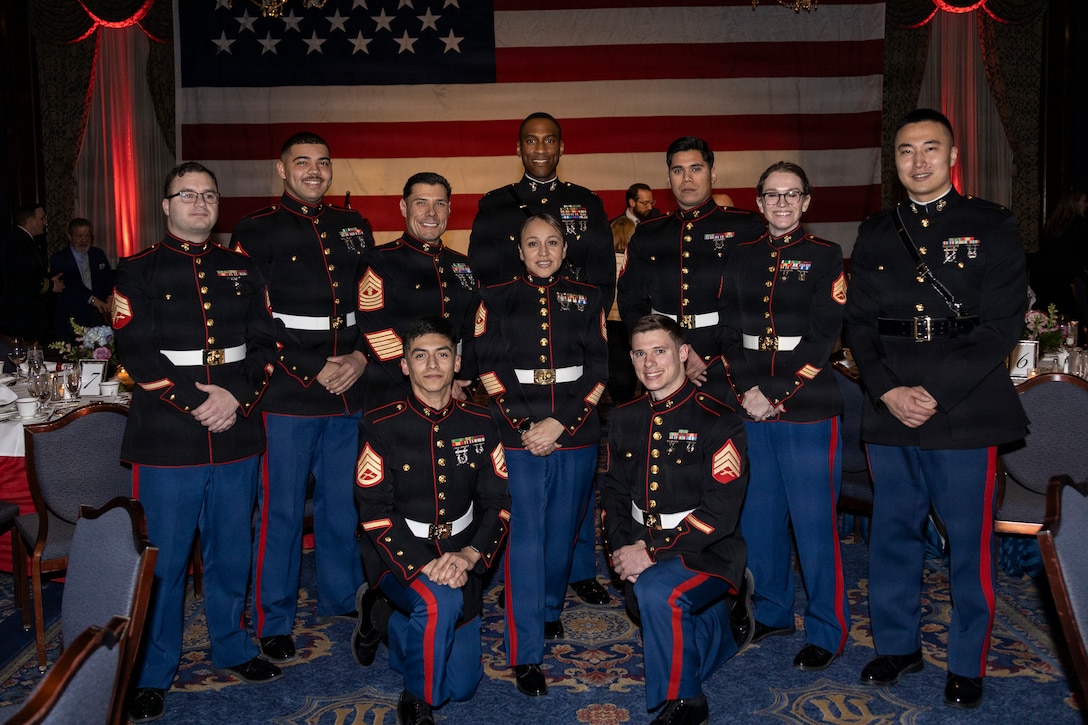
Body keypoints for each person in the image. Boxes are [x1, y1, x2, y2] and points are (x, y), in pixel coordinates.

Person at [843, 108, 1029, 709]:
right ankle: (898, 646)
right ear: (893, 162)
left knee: (966, 543)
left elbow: (1001, 326)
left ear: (953, 156)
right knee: (891, 535)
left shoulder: (991, 224)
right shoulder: (875, 229)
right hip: (891, 404)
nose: (917, 161)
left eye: (930, 149)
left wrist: (937, 392)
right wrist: (889, 390)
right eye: (904, 151)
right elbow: (859, 326)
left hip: (965, 406)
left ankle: (967, 663)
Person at [116, 162, 280, 723]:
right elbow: (136, 352)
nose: (200, 203)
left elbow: (265, 343)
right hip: (168, 435)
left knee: (232, 548)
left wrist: (234, 398)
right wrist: (197, 402)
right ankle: (154, 667)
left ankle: (231, 644)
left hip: (235, 431)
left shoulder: (242, 266)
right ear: (166, 206)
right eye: (187, 195)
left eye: (209, 195)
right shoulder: (137, 269)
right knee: (163, 560)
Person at [229, 131, 374, 664]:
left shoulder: (354, 227)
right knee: (282, 513)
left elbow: (373, 303)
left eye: (323, 162)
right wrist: (315, 367)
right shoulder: (256, 229)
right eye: (302, 162)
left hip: (349, 390)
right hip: (290, 391)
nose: (314, 171)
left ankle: (341, 599)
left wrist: (360, 358)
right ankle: (274, 617)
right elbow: (252, 315)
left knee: (344, 507)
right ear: (282, 169)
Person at [469, 111, 612, 607]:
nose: (540, 147)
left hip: (573, 365)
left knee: (572, 507)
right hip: (518, 365)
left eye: (549, 139)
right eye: (531, 140)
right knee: (527, 514)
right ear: (519, 146)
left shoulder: (585, 202)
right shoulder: (495, 205)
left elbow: (600, 279)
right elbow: (481, 275)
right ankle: (527, 591)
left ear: (561, 145)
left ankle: (572, 575)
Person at [719, 161, 849, 672]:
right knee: (760, 519)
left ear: (807, 201)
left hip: (806, 410)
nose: (781, 203)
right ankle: (772, 611)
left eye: (791, 195)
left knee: (814, 526)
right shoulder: (742, 254)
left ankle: (828, 629)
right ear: (758, 202)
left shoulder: (826, 255)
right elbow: (729, 332)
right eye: (772, 195)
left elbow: (824, 335)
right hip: (750, 406)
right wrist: (750, 392)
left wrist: (779, 395)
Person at [474, 213, 608, 697]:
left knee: (563, 532)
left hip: (575, 432)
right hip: (518, 435)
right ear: (521, 250)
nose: (544, 252)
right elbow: (489, 368)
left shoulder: (590, 296)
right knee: (526, 541)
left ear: (565, 248)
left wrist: (561, 423)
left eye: (553, 242)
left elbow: (599, 369)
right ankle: (525, 652)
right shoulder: (495, 296)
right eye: (534, 243)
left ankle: (550, 608)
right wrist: (528, 426)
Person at [354, 317, 511, 725]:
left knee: (462, 687)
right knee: (438, 603)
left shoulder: (481, 423)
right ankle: (417, 700)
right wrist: (423, 565)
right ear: (405, 365)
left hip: (462, 553)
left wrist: (471, 554)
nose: (432, 365)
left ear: (457, 362)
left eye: (442, 354)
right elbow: (373, 512)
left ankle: (379, 616)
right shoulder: (380, 424)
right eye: (419, 356)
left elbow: (498, 502)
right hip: (398, 552)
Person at [601, 314, 751, 725]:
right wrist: (620, 546)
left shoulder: (719, 420)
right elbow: (613, 491)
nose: (650, 364)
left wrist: (649, 552)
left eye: (660, 351)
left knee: (655, 592)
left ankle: (688, 702)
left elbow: (721, 513)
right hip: (638, 542)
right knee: (644, 597)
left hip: (706, 550)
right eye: (640, 353)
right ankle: (724, 623)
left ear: (683, 353)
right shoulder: (626, 416)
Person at [618, 136, 765, 403]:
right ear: (668, 179)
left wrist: (711, 354)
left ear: (713, 174)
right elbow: (630, 300)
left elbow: (757, 302)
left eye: (696, 169)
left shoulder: (746, 227)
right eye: (678, 170)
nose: (687, 178)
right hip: (664, 362)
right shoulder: (650, 232)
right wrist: (664, 349)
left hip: (726, 362)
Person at [358, 172, 478, 410]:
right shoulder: (380, 261)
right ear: (403, 207)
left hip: (456, 394)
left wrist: (462, 381)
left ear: (449, 209)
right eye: (421, 202)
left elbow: (474, 333)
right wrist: (427, 382)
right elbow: (377, 332)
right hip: (396, 395)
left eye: (439, 204)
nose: (431, 213)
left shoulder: (465, 265)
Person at [1, 203, 62, 343]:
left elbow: (31, 273)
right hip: (22, 313)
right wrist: (52, 286)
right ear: (31, 221)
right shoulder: (19, 243)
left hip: (27, 311)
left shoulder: (24, 240)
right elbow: (24, 279)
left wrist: (49, 280)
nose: (45, 222)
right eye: (42, 218)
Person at [49, 217, 113, 342]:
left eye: (87, 236)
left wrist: (110, 296)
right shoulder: (59, 259)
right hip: (72, 315)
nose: (84, 240)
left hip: (98, 314)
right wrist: (93, 299)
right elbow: (69, 285)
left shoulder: (98, 254)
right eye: (79, 236)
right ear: (69, 236)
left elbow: (108, 278)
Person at [1035, 189, 1088, 319]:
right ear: (1075, 203)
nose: (1086, 205)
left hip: (1049, 279)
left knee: (1054, 320)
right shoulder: (1080, 224)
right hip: (1072, 280)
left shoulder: (1051, 225)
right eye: (1084, 201)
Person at [609, 183, 656, 251]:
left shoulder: (656, 219)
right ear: (632, 202)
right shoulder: (613, 226)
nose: (650, 207)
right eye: (645, 203)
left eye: (652, 202)